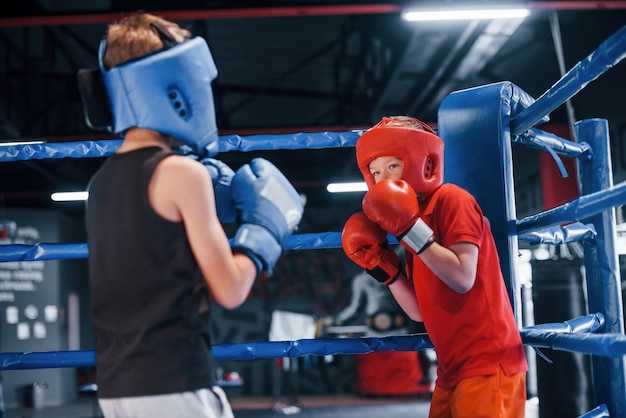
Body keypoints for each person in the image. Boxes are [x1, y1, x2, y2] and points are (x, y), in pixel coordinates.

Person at [81, 13, 304, 418]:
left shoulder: (101, 183)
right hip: (174, 383)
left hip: (117, 388)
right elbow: (232, 289)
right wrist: (264, 226)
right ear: (176, 82)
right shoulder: (182, 174)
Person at [341, 115, 527, 417]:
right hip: (450, 366)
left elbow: (463, 277)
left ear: (422, 161)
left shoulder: (452, 200)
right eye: (375, 171)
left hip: (487, 361)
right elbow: (418, 310)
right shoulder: (412, 220)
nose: (383, 178)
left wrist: (409, 230)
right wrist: (383, 268)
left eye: (392, 165)